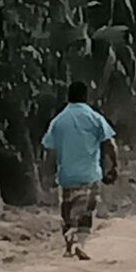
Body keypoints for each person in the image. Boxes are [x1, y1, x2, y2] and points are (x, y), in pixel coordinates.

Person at [41, 80, 118, 259]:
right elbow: (110, 144)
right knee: (86, 211)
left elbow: (50, 151)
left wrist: (48, 173)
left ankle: (69, 244)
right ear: (86, 97)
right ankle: (81, 244)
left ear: (68, 97)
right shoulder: (95, 118)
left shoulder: (58, 121)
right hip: (89, 174)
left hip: (66, 175)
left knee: (68, 210)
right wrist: (113, 165)